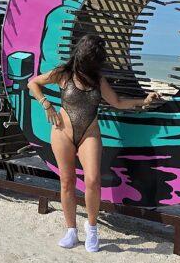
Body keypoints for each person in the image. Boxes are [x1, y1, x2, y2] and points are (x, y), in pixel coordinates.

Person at [27, 34, 163, 252]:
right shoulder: (64, 73)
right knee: (67, 181)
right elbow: (32, 83)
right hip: (62, 133)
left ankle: (91, 228)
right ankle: (71, 230)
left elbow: (117, 102)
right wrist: (47, 105)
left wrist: (143, 101)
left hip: (89, 134)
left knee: (92, 180)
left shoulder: (98, 80)